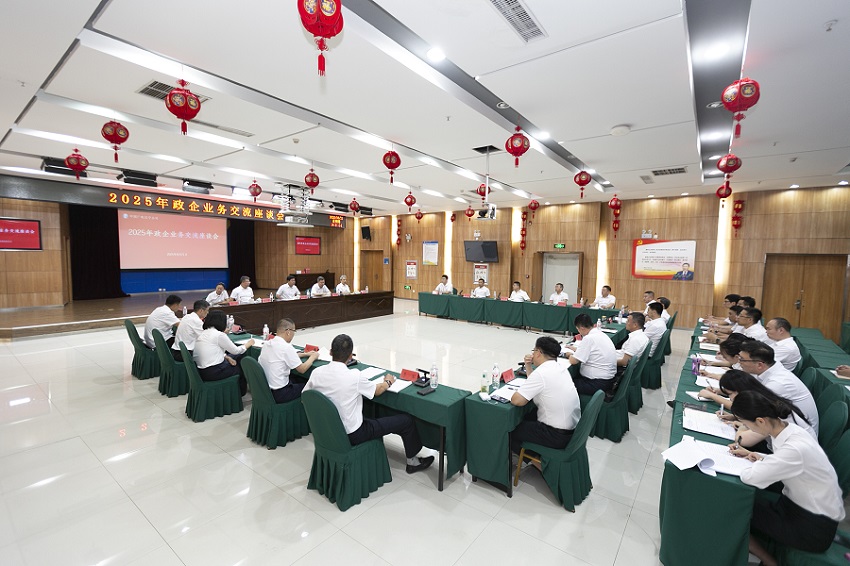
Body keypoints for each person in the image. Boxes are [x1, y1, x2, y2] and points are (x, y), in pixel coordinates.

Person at [729, 390, 844, 565]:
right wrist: (761, 457)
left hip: (812, 528)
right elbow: (787, 462)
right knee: (742, 505)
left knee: (735, 509)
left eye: (747, 425)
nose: (748, 429)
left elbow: (751, 477)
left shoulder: (794, 447)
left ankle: (771, 562)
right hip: (798, 509)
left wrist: (759, 463)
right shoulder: (789, 430)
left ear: (760, 421)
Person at [303, 334, 434, 474]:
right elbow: (377, 391)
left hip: (325, 430)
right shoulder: (353, 376)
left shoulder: (316, 373)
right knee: (406, 420)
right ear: (350, 356)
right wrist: (388, 381)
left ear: (330, 352)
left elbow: (306, 396)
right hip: (352, 434)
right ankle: (413, 462)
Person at [698, 369, 816, 443]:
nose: (731, 399)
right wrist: (738, 418)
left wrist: (742, 425)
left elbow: (742, 440)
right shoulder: (763, 397)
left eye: (730, 394)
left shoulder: (762, 407)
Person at [509, 336, 581, 455]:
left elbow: (517, 401)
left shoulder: (541, 373)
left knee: (510, 430)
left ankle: (538, 463)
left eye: (534, 350)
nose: (533, 354)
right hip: (571, 430)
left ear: (538, 353)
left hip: (555, 435)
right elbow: (536, 382)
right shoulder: (560, 367)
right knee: (528, 415)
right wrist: (528, 365)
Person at [737, 341, 818, 434]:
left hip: (796, 436)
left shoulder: (777, 384)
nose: (739, 362)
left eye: (742, 359)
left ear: (759, 365)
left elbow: (757, 413)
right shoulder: (768, 370)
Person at [193, 310, 254, 396]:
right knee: (240, 366)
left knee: (236, 357)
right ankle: (239, 394)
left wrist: (226, 357)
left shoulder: (203, 333)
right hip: (214, 372)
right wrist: (248, 344)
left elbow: (211, 351)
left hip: (203, 371)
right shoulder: (219, 335)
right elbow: (236, 351)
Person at [258, 318, 320, 403]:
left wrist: (305, 354)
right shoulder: (286, 347)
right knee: (312, 386)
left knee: (298, 378)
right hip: (280, 393)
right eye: (294, 331)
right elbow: (302, 369)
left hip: (266, 389)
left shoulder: (268, 343)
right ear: (288, 332)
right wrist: (313, 357)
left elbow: (284, 356)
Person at [562, 313, 617, 394]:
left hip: (597, 383)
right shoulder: (600, 334)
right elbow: (593, 351)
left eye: (578, 329)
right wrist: (577, 349)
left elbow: (574, 361)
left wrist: (569, 354)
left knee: (563, 384)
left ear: (582, 328)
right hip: (608, 379)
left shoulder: (589, 338)